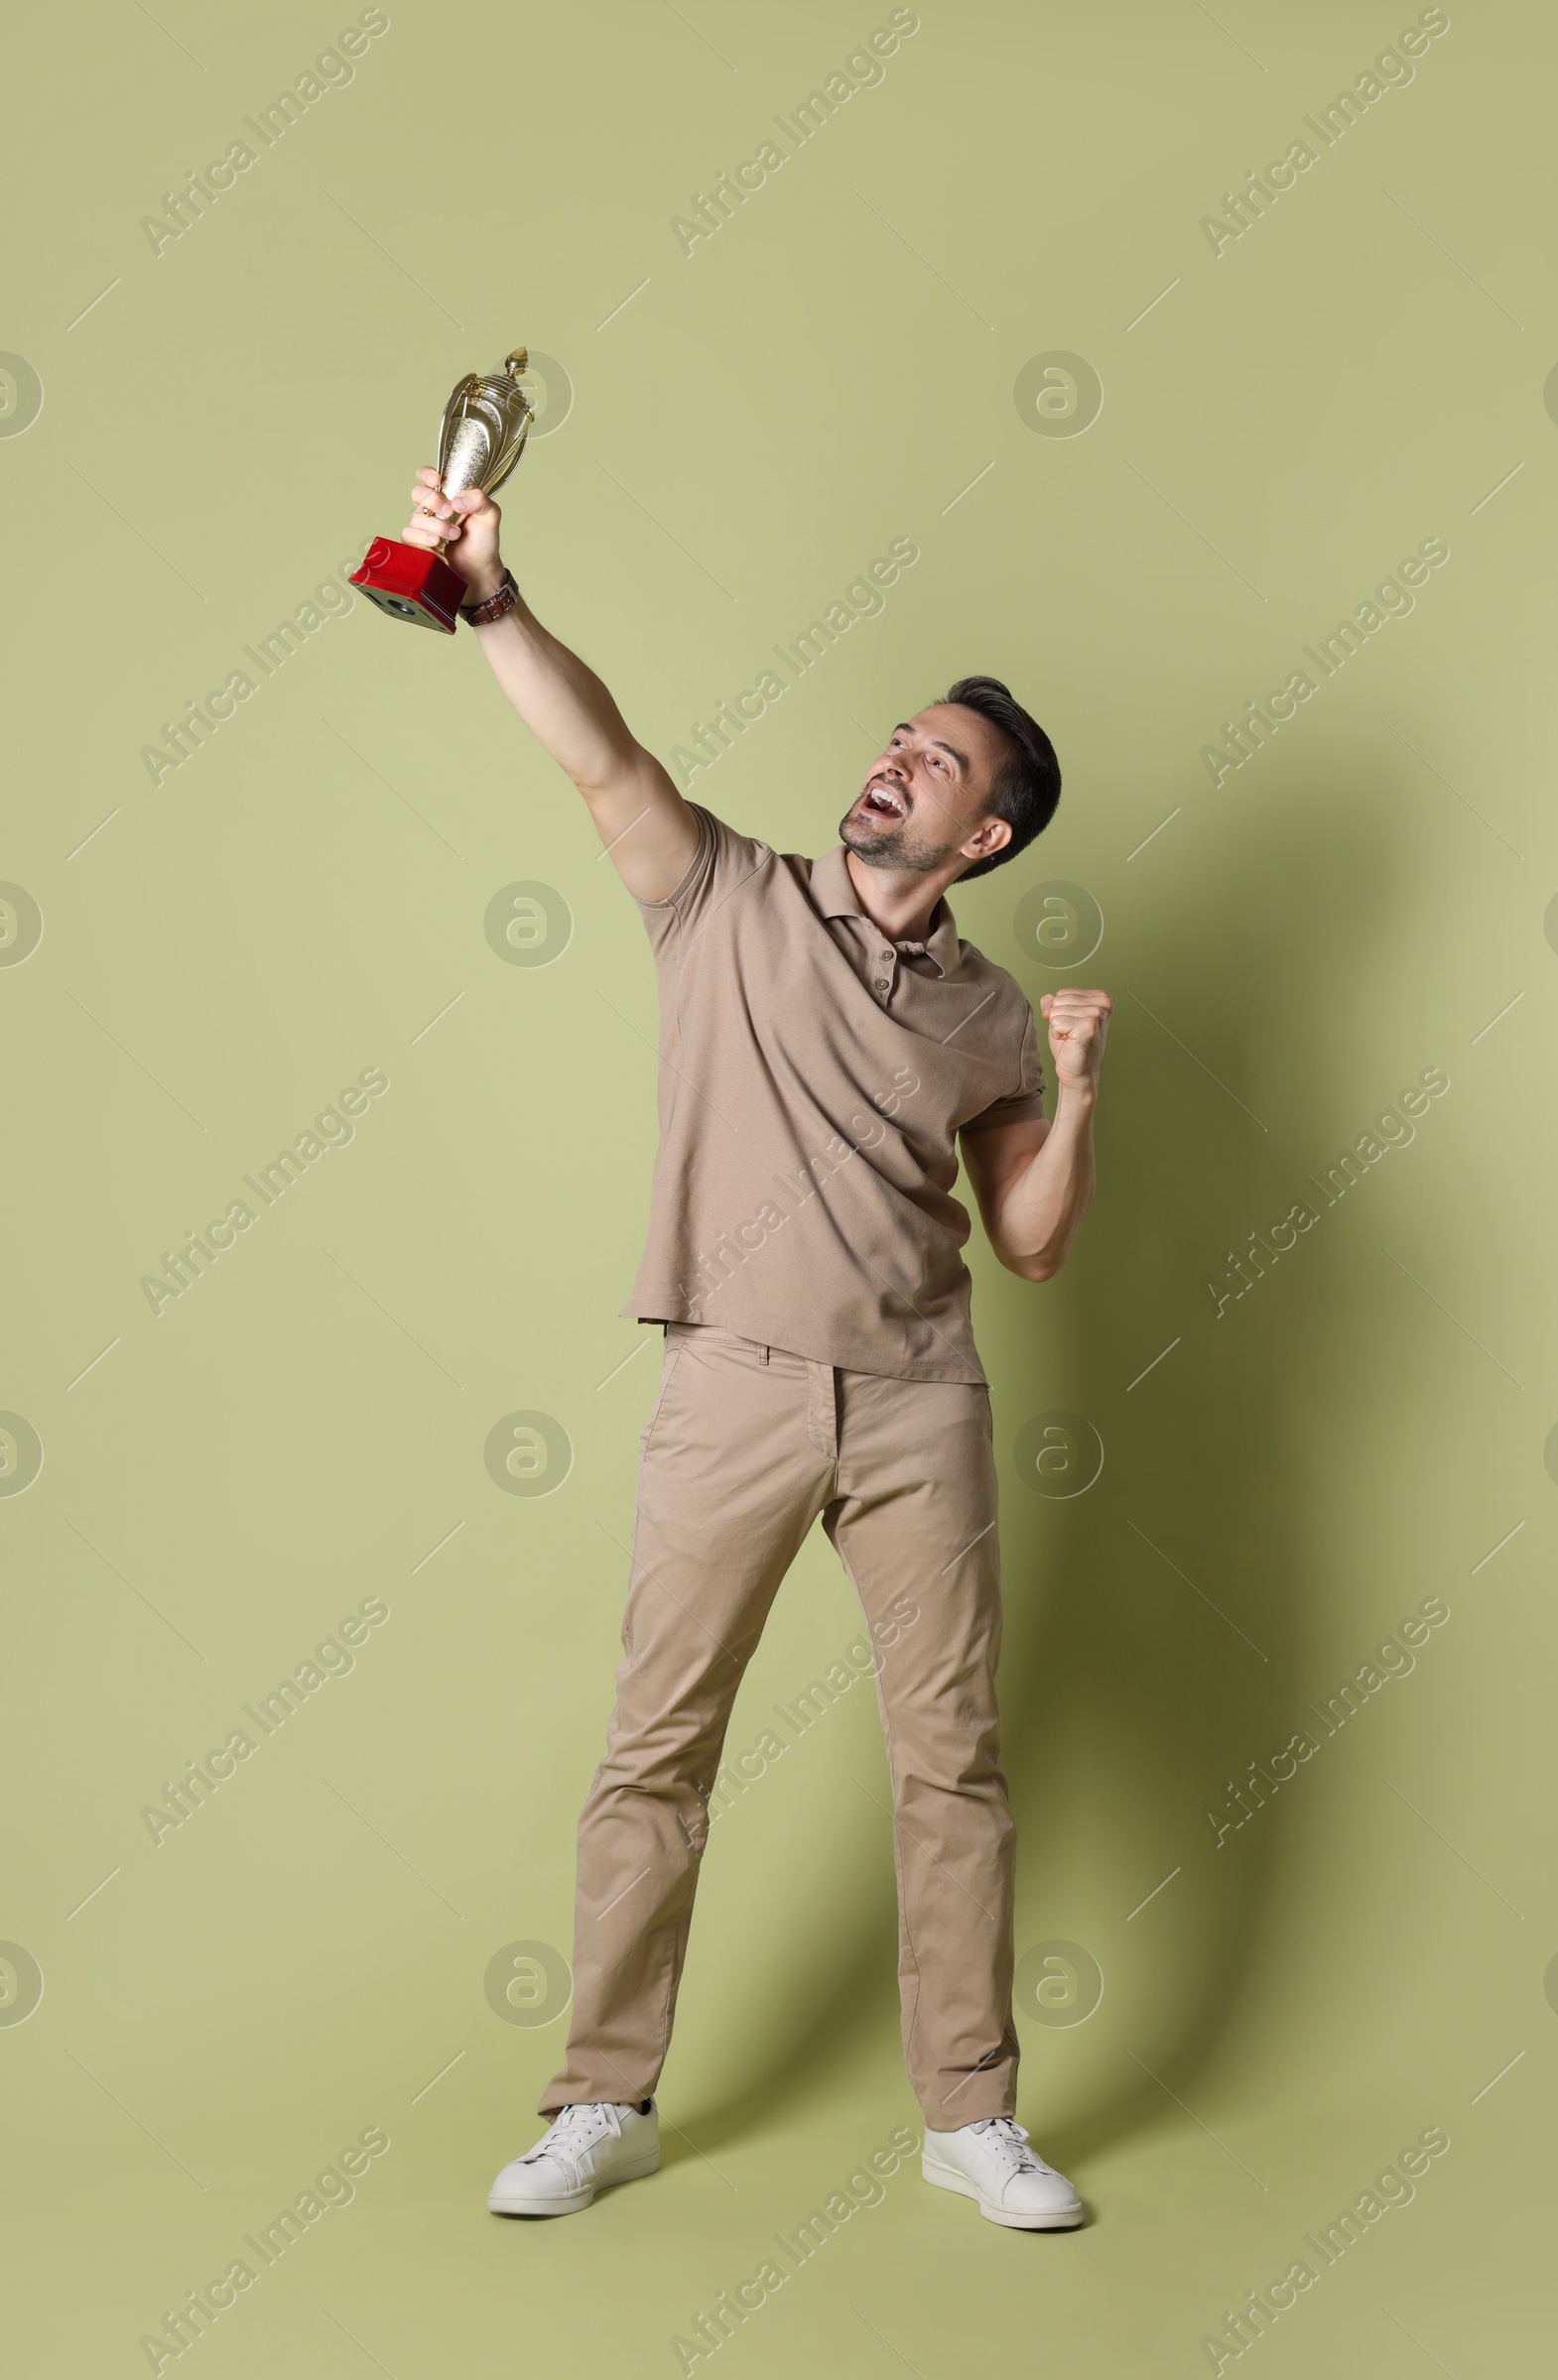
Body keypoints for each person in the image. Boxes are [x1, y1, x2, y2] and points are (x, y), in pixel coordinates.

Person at [397, 468, 1110, 2230]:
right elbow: (603, 759)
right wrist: (492, 599)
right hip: (734, 1383)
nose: (892, 765)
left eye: (934, 764)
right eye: (894, 741)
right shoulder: (724, 895)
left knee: (954, 1764)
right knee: (659, 1748)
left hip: (922, 1406)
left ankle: (970, 2115)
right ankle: (602, 2099)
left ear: (988, 838)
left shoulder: (991, 1013)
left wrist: (1077, 1090)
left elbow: (1029, 1244)